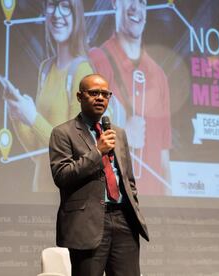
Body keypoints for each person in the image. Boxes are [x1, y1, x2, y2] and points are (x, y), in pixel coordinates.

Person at [49, 74, 149, 276]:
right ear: (79, 96)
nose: (100, 98)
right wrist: (98, 151)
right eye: (94, 93)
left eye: (105, 93)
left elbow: (128, 179)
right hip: (87, 224)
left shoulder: (117, 133)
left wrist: (133, 208)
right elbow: (62, 175)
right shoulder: (63, 133)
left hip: (123, 220)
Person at [0, 0, 93, 191]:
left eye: (65, 6)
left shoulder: (83, 73)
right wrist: (18, 115)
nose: (57, 14)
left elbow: (75, 153)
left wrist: (33, 118)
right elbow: (37, 152)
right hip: (39, 192)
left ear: (76, 15)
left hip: (67, 199)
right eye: (51, 4)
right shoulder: (45, 69)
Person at [89, 0, 172, 195]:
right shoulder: (96, 61)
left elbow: (164, 159)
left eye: (142, 2)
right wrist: (123, 133)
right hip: (112, 207)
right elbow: (81, 143)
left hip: (153, 211)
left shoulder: (159, 76)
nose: (136, 7)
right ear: (114, 3)